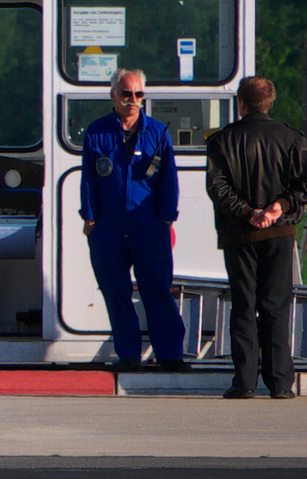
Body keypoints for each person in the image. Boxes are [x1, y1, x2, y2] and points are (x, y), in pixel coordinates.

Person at [80, 68, 190, 373]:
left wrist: (166, 219)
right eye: (127, 94)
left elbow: (169, 181)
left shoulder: (158, 132)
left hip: (148, 226)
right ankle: (128, 353)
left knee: (157, 290)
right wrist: (90, 218)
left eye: (139, 94)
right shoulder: (97, 132)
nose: (133, 100)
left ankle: (170, 355)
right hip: (109, 228)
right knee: (116, 293)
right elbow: (89, 179)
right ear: (113, 94)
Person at [205, 76, 307, 400]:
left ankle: (244, 381)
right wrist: (280, 207)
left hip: (239, 235)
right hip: (279, 233)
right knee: (276, 305)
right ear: (271, 101)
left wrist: (248, 212)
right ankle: (280, 382)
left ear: (241, 103)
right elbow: (302, 187)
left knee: (244, 305)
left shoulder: (223, 141)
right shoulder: (293, 139)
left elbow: (217, 187)